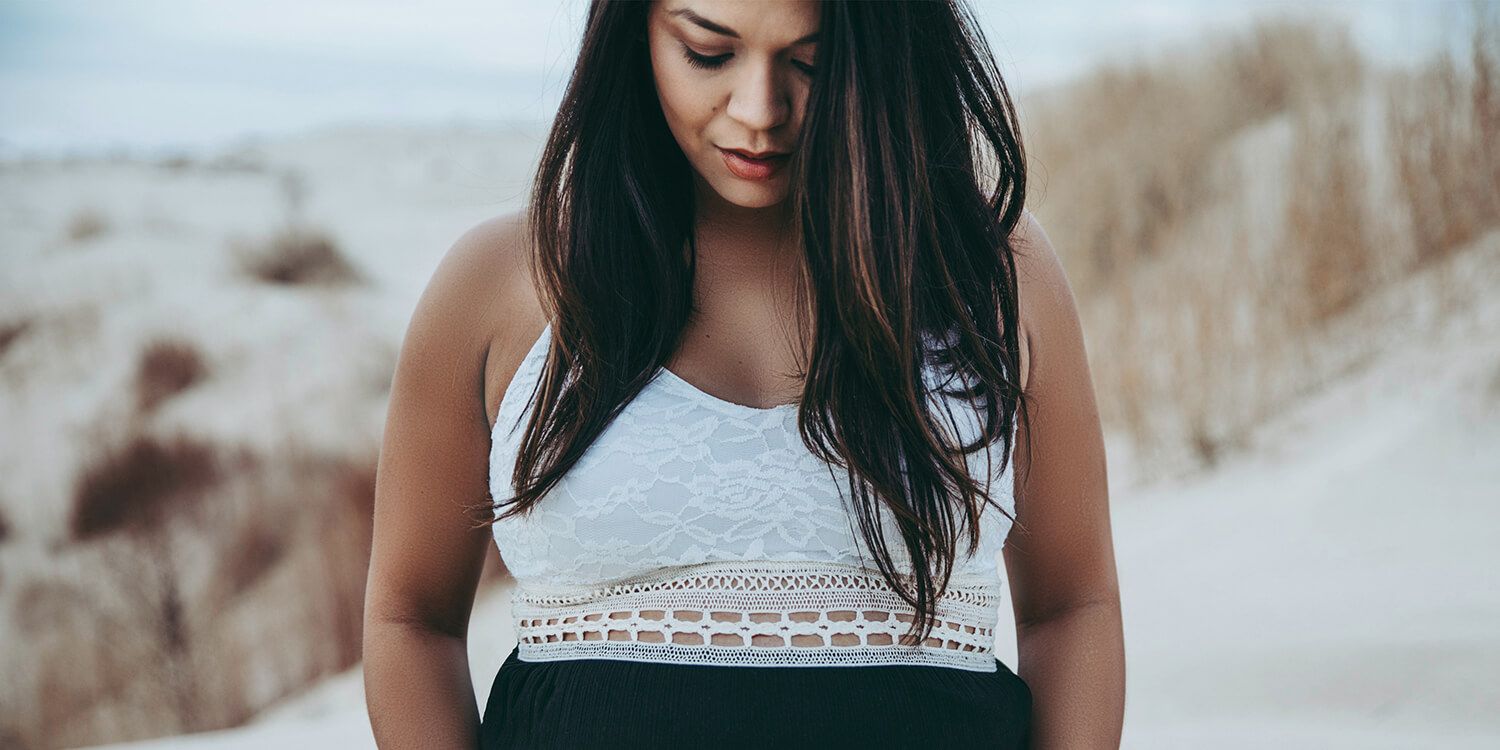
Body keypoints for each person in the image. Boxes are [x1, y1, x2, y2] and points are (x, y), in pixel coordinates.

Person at [362, 1, 1124, 747]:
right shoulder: (503, 281)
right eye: (709, 52)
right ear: (634, 32)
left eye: (812, 62)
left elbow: (1070, 604)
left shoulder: (986, 273)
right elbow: (411, 619)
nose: (761, 109)